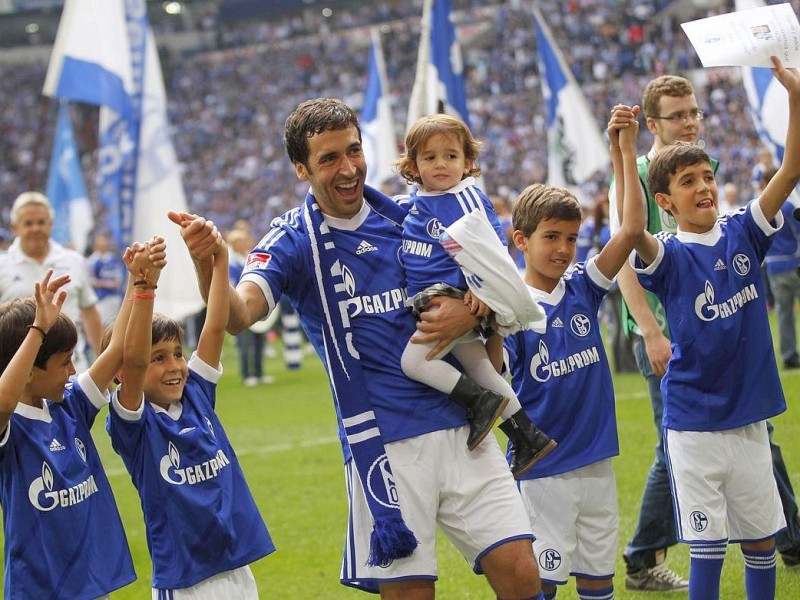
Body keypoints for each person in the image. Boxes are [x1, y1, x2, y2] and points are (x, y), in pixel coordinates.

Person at [169, 97, 543, 599]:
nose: (348, 169)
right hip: (385, 447)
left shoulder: (409, 216)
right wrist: (211, 261)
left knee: (523, 575)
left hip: (464, 425)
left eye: (354, 151)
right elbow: (239, 315)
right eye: (329, 159)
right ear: (302, 169)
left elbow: (494, 287)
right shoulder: (292, 240)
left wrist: (472, 311)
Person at [609, 73, 800, 590]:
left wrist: (796, 96)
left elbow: (790, 170)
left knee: (760, 543)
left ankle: (787, 540)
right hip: (694, 422)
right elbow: (628, 231)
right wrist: (624, 154)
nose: (703, 187)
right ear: (665, 202)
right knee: (708, 549)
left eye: (705, 177)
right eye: (687, 182)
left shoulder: (744, 230)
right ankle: (644, 555)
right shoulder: (667, 255)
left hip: (750, 415)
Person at [500, 103, 644, 599]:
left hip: (598, 459)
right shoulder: (511, 311)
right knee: (544, 583)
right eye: (550, 238)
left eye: (571, 238)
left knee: (599, 579)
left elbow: (629, 230)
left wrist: (622, 151)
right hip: (544, 473)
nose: (563, 248)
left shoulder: (583, 286)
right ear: (521, 240)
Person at [106, 237, 275, 597]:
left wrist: (221, 256)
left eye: (177, 354)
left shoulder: (197, 394)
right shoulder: (134, 424)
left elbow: (214, 325)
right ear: (123, 373)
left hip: (236, 569)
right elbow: (132, 359)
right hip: (185, 582)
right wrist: (143, 287)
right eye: (159, 358)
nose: (175, 367)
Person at [395, 114, 555, 477]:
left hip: (449, 299)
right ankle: (526, 435)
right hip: (435, 299)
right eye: (430, 157)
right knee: (481, 367)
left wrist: (482, 291)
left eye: (450, 156)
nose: (440, 164)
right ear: (413, 166)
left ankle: (480, 403)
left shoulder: (465, 197)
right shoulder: (418, 201)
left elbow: (492, 250)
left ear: (468, 163)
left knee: (414, 363)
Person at [0, 268, 137, 598]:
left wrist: (138, 281)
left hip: (92, 582)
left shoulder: (70, 403)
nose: (73, 370)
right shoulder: (10, 425)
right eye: (64, 361)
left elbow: (117, 348)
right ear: (30, 371)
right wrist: (38, 329)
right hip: (40, 589)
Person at [0, 192, 103, 373]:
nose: (35, 228)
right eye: (28, 223)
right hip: (19, 375)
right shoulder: (2, 265)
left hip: (72, 371)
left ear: (51, 224)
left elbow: (89, 312)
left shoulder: (75, 261)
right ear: (15, 227)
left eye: (41, 222)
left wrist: (102, 360)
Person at [762, 166, 800, 370]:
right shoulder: (788, 207)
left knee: (784, 314)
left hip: (774, 267)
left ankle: (789, 354)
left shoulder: (761, 209)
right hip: (794, 262)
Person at [227, 228, 273, 386]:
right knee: (245, 343)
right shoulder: (231, 263)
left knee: (260, 341)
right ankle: (247, 374)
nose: (243, 244)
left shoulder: (248, 259)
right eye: (239, 242)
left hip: (253, 303)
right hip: (241, 304)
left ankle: (259, 372)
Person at [87, 231, 125, 325]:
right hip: (100, 299)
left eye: (105, 240)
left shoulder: (113, 259)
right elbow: (90, 281)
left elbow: (118, 280)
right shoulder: (92, 261)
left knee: (114, 325)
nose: (103, 243)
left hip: (114, 298)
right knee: (102, 325)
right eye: (100, 240)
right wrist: (107, 284)